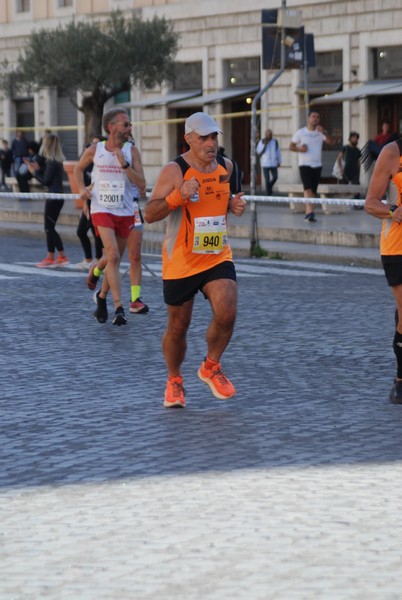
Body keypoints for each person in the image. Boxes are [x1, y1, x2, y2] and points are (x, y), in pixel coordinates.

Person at [144, 112, 246, 409]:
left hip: (216, 256)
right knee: (178, 326)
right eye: (203, 137)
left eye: (214, 136)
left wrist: (233, 205)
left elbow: (222, 198)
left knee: (227, 311)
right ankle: (174, 379)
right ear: (188, 139)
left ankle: (211, 366)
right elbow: (149, 213)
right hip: (182, 261)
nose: (211, 143)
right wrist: (178, 196)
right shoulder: (175, 170)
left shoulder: (227, 167)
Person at [74, 107, 146, 326]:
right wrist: (81, 190)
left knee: (113, 259)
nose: (129, 128)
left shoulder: (131, 151)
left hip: (124, 211)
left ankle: (101, 292)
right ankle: (119, 308)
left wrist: (124, 164)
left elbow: (142, 184)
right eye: (126, 124)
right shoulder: (96, 150)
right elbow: (77, 169)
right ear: (111, 127)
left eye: (130, 125)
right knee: (113, 255)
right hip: (101, 209)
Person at [365, 137, 402, 403]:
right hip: (398, 247)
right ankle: (401, 380)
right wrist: (393, 211)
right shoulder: (393, 153)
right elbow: (371, 202)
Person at [26, 134, 69, 268]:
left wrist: (34, 172)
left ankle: (57, 256)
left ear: (47, 145)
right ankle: (56, 256)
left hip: (53, 197)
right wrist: (40, 169)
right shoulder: (54, 161)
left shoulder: (52, 162)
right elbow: (49, 177)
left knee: (49, 228)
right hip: (56, 196)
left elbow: (45, 181)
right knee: (49, 228)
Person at [289, 110, 335, 222]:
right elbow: (291, 146)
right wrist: (301, 149)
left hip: (317, 165)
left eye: (317, 117)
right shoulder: (301, 133)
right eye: (313, 116)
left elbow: (331, 142)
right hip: (304, 164)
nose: (315, 119)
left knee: (313, 191)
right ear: (309, 118)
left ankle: (309, 212)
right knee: (307, 188)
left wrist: (324, 132)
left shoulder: (320, 133)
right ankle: (310, 212)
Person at [75, 135, 105, 270]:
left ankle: (98, 260)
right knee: (82, 231)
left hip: (100, 202)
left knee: (97, 233)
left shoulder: (102, 164)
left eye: (97, 145)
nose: (94, 148)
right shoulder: (87, 164)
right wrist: (85, 199)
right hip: (90, 201)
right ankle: (89, 259)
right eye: (91, 145)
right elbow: (78, 171)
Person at [336, 131, 362, 208]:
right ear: (350, 138)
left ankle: (356, 204)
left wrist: (358, 171)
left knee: (356, 187)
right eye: (353, 138)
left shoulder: (358, 150)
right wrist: (340, 169)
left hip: (354, 171)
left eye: (356, 138)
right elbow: (339, 158)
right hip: (345, 170)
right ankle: (342, 204)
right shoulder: (345, 148)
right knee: (344, 187)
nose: (355, 139)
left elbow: (358, 162)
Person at [256, 129, 281, 196]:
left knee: (275, 177)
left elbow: (278, 152)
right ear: (265, 135)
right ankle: (268, 193)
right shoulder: (262, 141)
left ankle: (269, 187)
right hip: (265, 163)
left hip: (273, 163)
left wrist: (279, 161)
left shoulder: (275, 142)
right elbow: (259, 152)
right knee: (267, 179)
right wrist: (265, 145)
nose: (269, 136)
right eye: (268, 134)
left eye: (270, 134)